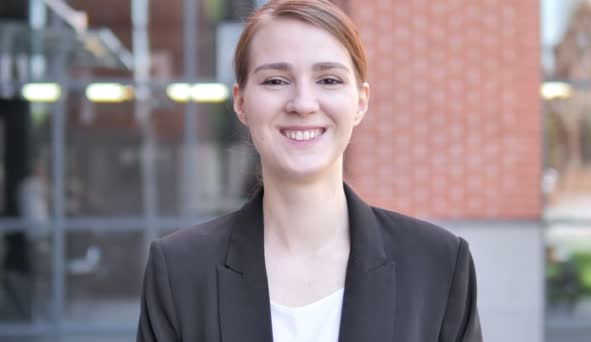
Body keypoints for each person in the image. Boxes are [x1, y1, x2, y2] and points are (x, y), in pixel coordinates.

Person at [137, 1, 482, 341]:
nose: (302, 104)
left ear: (360, 102)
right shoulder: (179, 270)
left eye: (329, 80)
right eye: (275, 81)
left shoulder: (438, 265)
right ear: (241, 102)